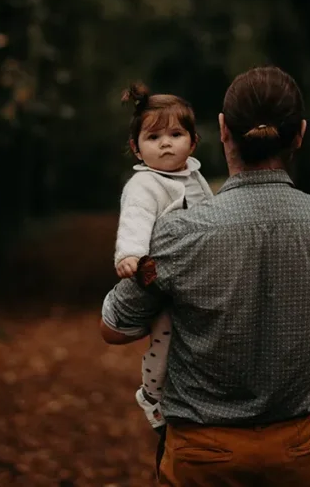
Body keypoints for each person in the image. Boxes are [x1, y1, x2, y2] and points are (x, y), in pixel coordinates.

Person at [100, 66, 310, 485]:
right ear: (300, 135)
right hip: (297, 451)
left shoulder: (181, 231)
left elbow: (114, 327)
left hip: (203, 454)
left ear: (223, 131)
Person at [112, 82, 213, 436]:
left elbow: (210, 216)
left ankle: (192, 391)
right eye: (154, 137)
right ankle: (152, 394)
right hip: (160, 279)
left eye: (175, 133)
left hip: (196, 278)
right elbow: (136, 220)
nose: (166, 143)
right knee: (166, 336)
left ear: (193, 141)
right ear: (136, 149)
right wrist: (131, 255)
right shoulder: (143, 186)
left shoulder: (196, 177)